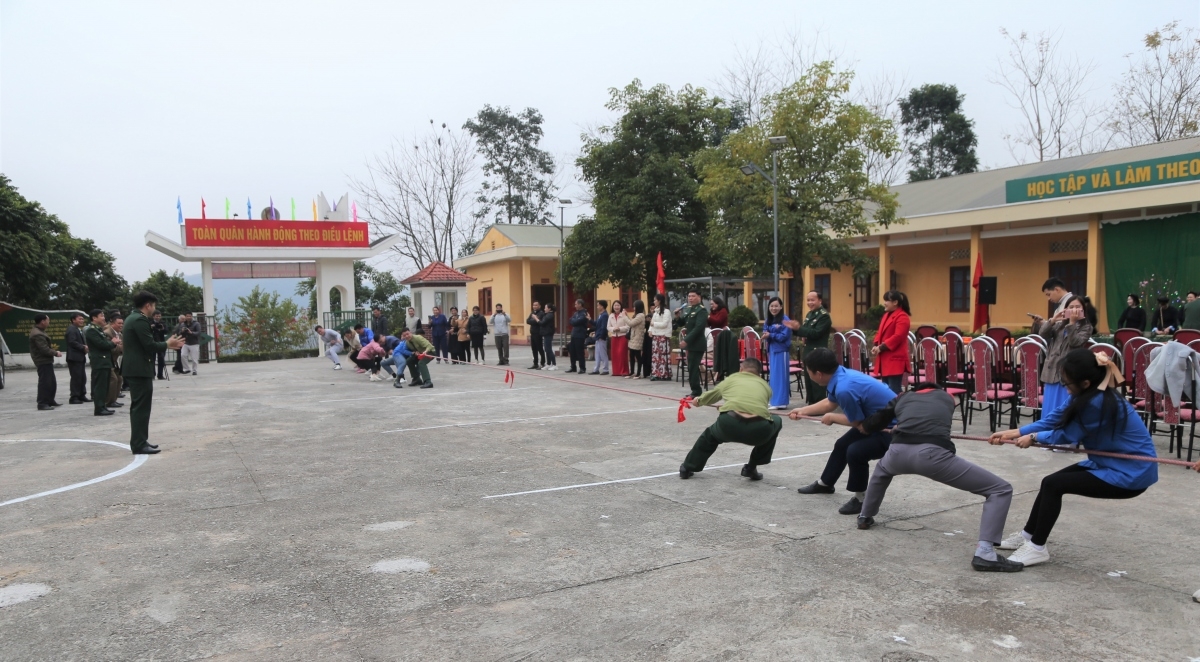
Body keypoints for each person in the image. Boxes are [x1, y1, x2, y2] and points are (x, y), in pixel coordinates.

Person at [989, 348, 1158, 567]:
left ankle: (1037, 548)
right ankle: (1028, 535)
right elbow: (1055, 417)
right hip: (1108, 464)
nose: (1065, 388)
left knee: (1054, 485)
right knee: (1049, 483)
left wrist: (1033, 437)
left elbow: (1067, 435)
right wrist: (1015, 432)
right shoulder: (1088, 394)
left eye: (1067, 383)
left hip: (1131, 473)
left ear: (1085, 382)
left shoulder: (1097, 403)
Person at [856, 383, 1023, 572]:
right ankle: (985, 553)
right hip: (933, 455)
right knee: (1000, 489)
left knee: (881, 472)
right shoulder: (948, 397)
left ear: (915, 390)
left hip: (897, 453)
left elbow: (875, 422)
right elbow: (931, 419)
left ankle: (864, 516)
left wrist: (864, 426)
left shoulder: (902, 397)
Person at [791, 347, 898, 515]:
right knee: (842, 444)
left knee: (855, 452)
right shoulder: (841, 375)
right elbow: (829, 403)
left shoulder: (844, 388)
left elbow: (856, 421)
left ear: (818, 374)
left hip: (891, 430)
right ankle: (825, 483)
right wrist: (803, 411)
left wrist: (833, 418)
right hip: (874, 422)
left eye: (809, 372)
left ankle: (861, 499)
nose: (808, 376)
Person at [679, 358, 782, 481]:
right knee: (776, 420)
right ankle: (751, 467)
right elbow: (753, 407)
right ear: (759, 374)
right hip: (758, 430)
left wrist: (698, 401)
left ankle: (687, 467)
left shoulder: (732, 379)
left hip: (729, 424)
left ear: (741, 369)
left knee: (710, 436)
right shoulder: (766, 386)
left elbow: (713, 395)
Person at [122, 291, 184, 455]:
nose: (154, 309)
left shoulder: (132, 318)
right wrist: (167, 344)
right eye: (154, 305)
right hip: (139, 369)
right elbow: (149, 345)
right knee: (141, 407)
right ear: (148, 305)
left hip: (137, 369)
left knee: (140, 406)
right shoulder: (140, 320)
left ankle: (141, 440)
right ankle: (139, 443)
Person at [1035, 295, 1095, 414]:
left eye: (1077, 307)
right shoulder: (1059, 325)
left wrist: (1072, 323)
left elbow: (1075, 342)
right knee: (1049, 408)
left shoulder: (1086, 327)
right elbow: (1042, 335)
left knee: (1064, 408)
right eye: (1071, 307)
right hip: (1052, 370)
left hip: (1068, 372)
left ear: (1083, 309)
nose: (1074, 310)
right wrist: (1052, 320)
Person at [790, 291, 833, 405]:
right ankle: (812, 402)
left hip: (818, 351)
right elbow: (805, 332)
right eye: (808, 300)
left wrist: (799, 328)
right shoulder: (810, 315)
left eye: (812, 300)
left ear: (820, 301)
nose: (810, 303)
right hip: (808, 350)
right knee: (809, 378)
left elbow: (815, 333)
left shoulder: (824, 316)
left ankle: (819, 403)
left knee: (817, 380)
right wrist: (794, 329)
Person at [871, 290, 912, 394]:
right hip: (885, 358)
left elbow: (898, 337)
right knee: (886, 390)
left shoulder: (902, 316)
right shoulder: (886, 315)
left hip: (895, 359)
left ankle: (898, 410)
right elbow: (879, 333)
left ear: (895, 302)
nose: (884, 303)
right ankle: (890, 409)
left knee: (894, 390)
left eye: (887, 301)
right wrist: (876, 345)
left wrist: (881, 347)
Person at [85, 309, 118, 416]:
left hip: (105, 361)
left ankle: (103, 406)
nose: (104, 318)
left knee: (104, 386)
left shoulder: (98, 329)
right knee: (100, 386)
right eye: (101, 316)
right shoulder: (91, 330)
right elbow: (101, 345)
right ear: (94, 318)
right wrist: (113, 343)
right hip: (99, 361)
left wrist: (111, 343)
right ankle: (99, 408)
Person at [763, 296, 792, 410]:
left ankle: (781, 402)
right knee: (774, 376)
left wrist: (771, 335)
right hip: (772, 350)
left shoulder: (785, 320)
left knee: (781, 376)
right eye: (771, 306)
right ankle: (774, 400)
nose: (773, 308)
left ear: (781, 307)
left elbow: (784, 336)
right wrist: (766, 335)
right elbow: (765, 330)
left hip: (782, 350)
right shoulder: (768, 320)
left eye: (776, 306)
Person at [679, 289, 709, 398]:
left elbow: (698, 328)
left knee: (693, 368)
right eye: (689, 296)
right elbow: (682, 322)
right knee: (691, 367)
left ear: (699, 297)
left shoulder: (702, 311)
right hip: (691, 345)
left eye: (693, 296)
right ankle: (695, 390)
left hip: (697, 344)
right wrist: (677, 316)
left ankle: (696, 391)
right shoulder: (689, 309)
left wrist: (686, 340)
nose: (690, 298)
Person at [29, 313, 61, 410]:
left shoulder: (40, 331)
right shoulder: (37, 334)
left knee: (51, 382)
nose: (48, 322)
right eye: (48, 320)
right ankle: (42, 403)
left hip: (46, 360)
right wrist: (56, 353)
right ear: (43, 321)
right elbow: (44, 349)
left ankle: (50, 400)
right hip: (42, 360)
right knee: (45, 382)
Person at [65, 312, 91, 404]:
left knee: (82, 377)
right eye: (79, 319)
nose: (82, 321)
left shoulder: (77, 329)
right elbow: (72, 342)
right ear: (73, 320)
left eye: (82, 319)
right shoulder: (71, 329)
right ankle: (74, 397)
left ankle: (81, 395)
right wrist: (83, 347)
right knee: (76, 378)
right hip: (74, 358)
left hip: (79, 357)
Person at [649, 294, 673, 381]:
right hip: (656, 336)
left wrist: (653, 324)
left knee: (663, 356)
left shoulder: (666, 311)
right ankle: (656, 373)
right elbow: (652, 322)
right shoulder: (655, 311)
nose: (654, 301)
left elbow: (664, 324)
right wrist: (650, 330)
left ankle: (665, 374)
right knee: (656, 356)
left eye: (655, 300)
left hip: (663, 336)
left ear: (659, 301)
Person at [105, 317, 126, 408]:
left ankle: (114, 399)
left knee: (120, 379)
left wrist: (120, 346)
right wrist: (120, 346)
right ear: (113, 323)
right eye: (119, 323)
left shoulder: (119, 334)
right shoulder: (107, 333)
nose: (121, 325)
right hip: (109, 360)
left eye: (122, 323)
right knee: (113, 379)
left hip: (117, 360)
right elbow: (111, 348)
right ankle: (109, 401)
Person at [567, 299, 591, 373]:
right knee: (572, 351)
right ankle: (573, 367)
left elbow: (577, 322)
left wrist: (574, 321)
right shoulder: (576, 313)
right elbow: (570, 320)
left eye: (576, 304)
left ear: (580, 304)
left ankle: (582, 368)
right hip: (574, 334)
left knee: (579, 352)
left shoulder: (584, 313)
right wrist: (574, 321)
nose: (575, 306)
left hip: (580, 335)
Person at [625, 300, 647, 379]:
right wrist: (627, 316)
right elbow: (631, 323)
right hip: (633, 337)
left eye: (634, 306)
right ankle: (632, 372)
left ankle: (638, 373)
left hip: (637, 338)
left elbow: (631, 323)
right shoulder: (637, 315)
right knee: (631, 356)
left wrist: (624, 316)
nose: (634, 308)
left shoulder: (641, 315)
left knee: (638, 356)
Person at [608, 300, 630, 377]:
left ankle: (624, 371)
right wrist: (613, 329)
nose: (616, 307)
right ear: (613, 307)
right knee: (615, 355)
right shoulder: (611, 316)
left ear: (621, 306)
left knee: (622, 354)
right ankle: (616, 371)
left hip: (622, 336)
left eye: (618, 305)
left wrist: (619, 329)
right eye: (615, 305)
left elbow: (628, 326)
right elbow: (608, 327)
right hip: (614, 337)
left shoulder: (624, 315)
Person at [590, 301, 610, 375]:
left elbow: (603, 327)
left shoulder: (604, 315)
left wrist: (601, 335)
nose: (597, 307)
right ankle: (596, 369)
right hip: (598, 336)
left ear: (602, 306)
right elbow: (597, 324)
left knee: (603, 354)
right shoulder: (600, 315)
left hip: (601, 337)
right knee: (597, 354)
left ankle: (605, 369)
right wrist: (590, 320)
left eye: (598, 305)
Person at [527, 301, 545, 370]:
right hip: (532, 333)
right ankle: (535, 363)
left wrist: (534, 320)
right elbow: (528, 321)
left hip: (538, 333)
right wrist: (534, 319)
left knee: (540, 348)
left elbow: (538, 322)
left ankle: (543, 363)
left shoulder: (541, 313)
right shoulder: (532, 312)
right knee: (534, 349)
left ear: (539, 306)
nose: (534, 306)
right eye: (533, 305)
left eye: (536, 305)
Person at [149, 311, 168, 379]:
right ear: (153, 316)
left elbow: (166, 331)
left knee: (161, 359)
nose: (158, 317)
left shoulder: (162, 323)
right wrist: (151, 327)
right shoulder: (150, 322)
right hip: (153, 342)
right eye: (156, 316)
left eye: (159, 316)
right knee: (152, 359)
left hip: (161, 342)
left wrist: (162, 328)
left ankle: (160, 375)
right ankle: (152, 374)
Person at [540, 304, 557, 370]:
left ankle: (554, 364)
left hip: (548, 333)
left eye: (545, 308)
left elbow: (542, 322)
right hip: (545, 333)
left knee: (549, 349)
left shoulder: (550, 315)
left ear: (549, 309)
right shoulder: (546, 315)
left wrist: (536, 319)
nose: (544, 309)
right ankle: (548, 363)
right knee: (546, 349)